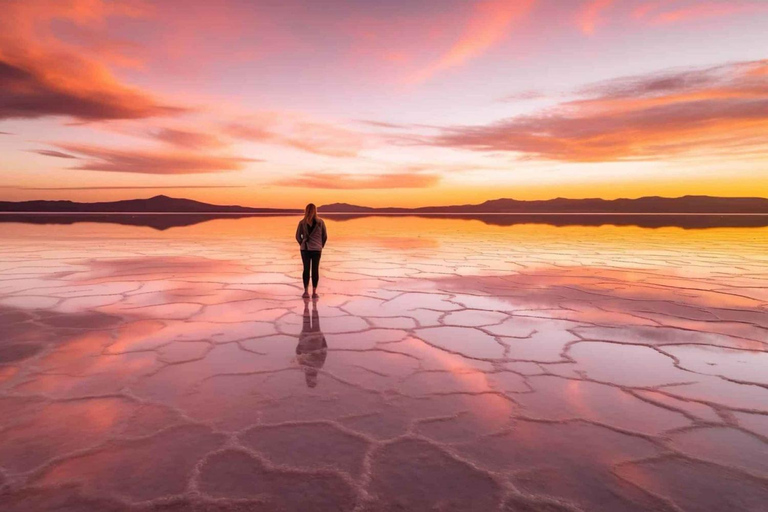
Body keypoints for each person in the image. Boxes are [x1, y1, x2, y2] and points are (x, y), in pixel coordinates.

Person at [295, 203, 327, 299]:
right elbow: (324, 236)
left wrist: (302, 243)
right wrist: (320, 245)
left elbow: (298, 236)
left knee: (306, 269)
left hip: (307, 249)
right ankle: (314, 292)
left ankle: (306, 292)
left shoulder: (317, 223)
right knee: (314, 270)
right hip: (314, 249)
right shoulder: (319, 222)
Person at [296, 299, 327, 388]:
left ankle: (312, 306)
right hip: (310, 340)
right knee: (308, 321)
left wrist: (323, 339)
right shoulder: (307, 366)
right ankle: (310, 306)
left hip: (312, 339)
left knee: (312, 321)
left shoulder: (316, 366)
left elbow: (323, 352)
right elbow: (298, 352)